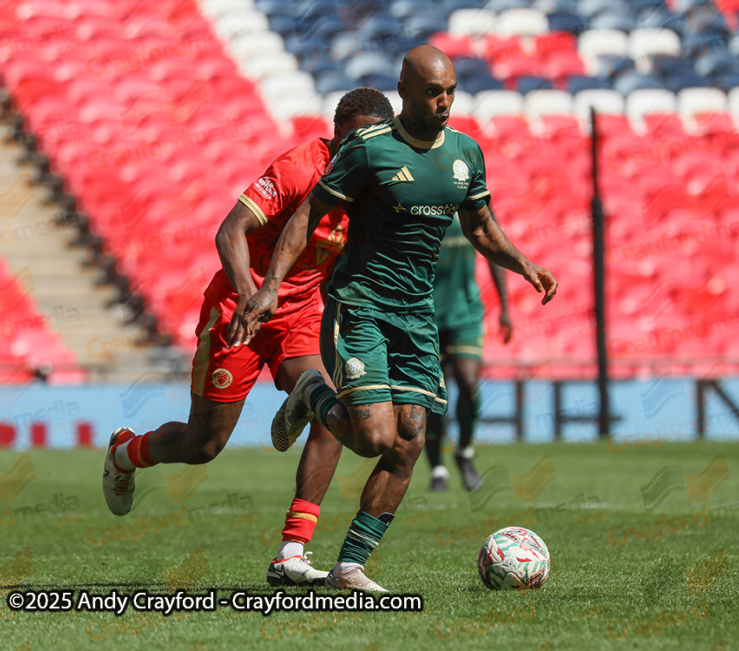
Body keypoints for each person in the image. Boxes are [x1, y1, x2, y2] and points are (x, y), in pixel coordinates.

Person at [239, 45, 557, 592]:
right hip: (360, 305)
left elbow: (481, 228)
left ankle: (350, 566)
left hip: (417, 315)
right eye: (434, 92)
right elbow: (307, 215)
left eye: (451, 90)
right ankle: (312, 392)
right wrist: (269, 286)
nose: (445, 101)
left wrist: (524, 263)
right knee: (371, 438)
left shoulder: (465, 154)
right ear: (405, 91)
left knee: (409, 438)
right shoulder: (368, 149)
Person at [101, 88, 395, 587]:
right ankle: (126, 452)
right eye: (353, 138)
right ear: (336, 132)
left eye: (372, 141)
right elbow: (229, 231)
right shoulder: (300, 167)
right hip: (240, 307)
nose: (360, 149)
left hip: (299, 314)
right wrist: (250, 293)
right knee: (203, 444)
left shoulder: (373, 186)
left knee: (332, 414)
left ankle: (291, 552)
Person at [425, 217, 512, 492]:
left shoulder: (472, 199)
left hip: (466, 314)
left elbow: (494, 248)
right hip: (425, 315)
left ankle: (465, 452)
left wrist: (505, 308)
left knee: (469, 382)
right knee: (433, 395)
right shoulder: (418, 198)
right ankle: (437, 469)